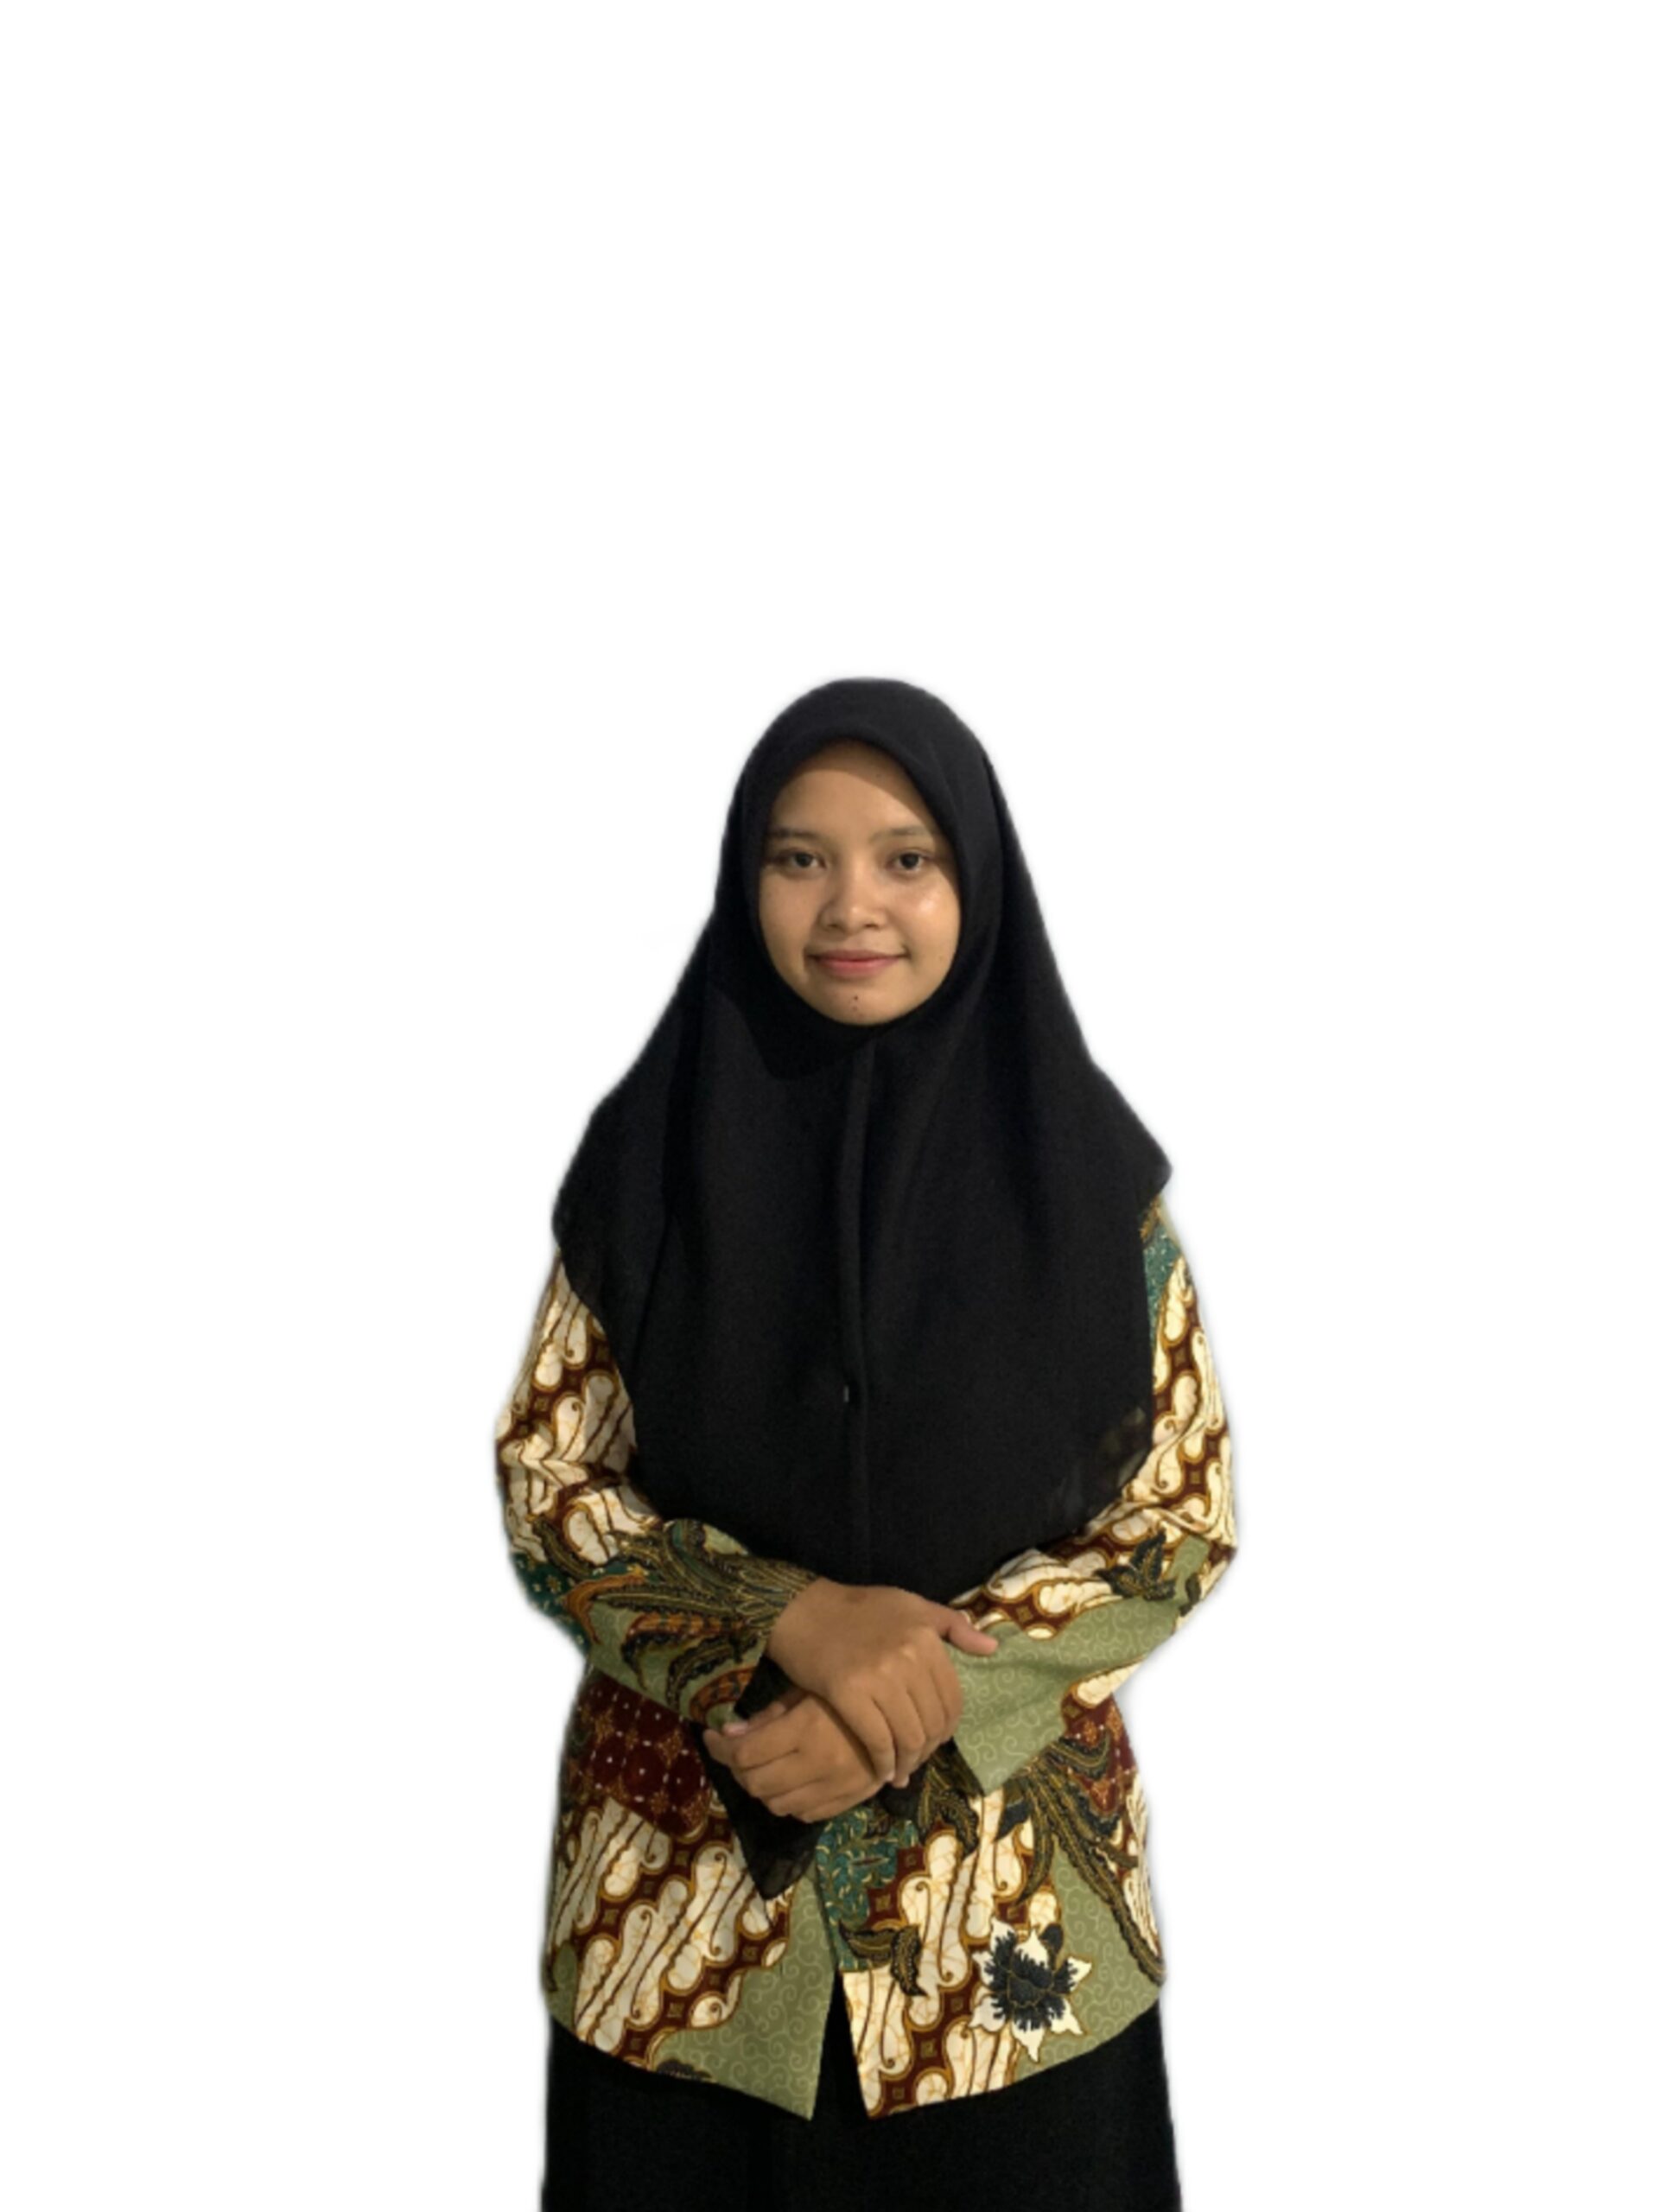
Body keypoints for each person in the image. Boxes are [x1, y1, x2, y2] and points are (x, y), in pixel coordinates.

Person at [494, 677, 1236, 2209]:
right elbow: (552, 1486)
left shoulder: (1089, 1185)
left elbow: (1175, 1517)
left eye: (908, 859)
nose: (853, 906)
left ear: (979, 880)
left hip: (1011, 1944)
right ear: (744, 878)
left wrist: (911, 1703)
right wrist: (785, 1620)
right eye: (800, 858)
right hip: (678, 1938)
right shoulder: (648, 1160)